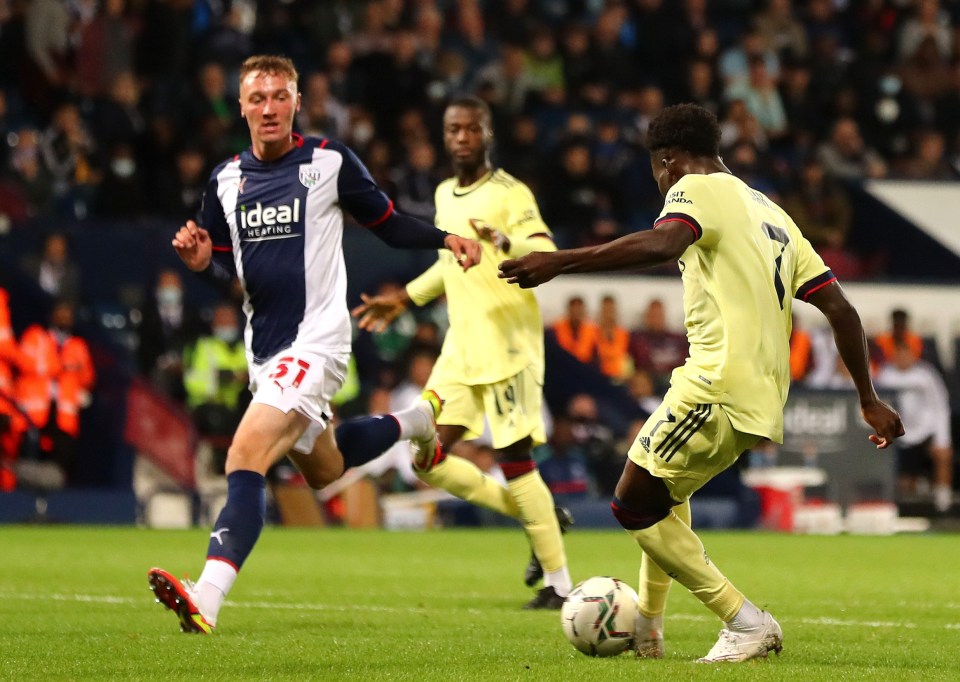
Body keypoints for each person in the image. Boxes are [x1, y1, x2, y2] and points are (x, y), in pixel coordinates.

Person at [499, 103, 903, 662]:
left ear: (667, 160)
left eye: (656, 170)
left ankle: (745, 621)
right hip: (760, 390)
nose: (659, 181)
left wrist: (559, 262)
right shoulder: (773, 213)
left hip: (716, 382)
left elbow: (664, 243)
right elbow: (840, 308)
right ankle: (648, 629)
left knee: (632, 504)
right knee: (665, 494)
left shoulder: (694, 188)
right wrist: (868, 397)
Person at [147, 55, 481, 635]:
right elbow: (225, 265)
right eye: (258, 98)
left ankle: (208, 594)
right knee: (325, 467)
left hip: (317, 341)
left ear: (297, 102)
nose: (270, 107)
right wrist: (202, 263)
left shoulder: (328, 161)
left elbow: (387, 221)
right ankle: (418, 420)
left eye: (280, 95)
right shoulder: (225, 180)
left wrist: (445, 237)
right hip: (265, 352)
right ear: (243, 106)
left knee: (243, 457)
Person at [352, 95, 573, 609]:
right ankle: (536, 518)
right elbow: (450, 267)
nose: (462, 138)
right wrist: (403, 298)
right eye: (454, 130)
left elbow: (545, 247)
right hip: (462, 347)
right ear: (444, 135)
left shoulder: (510, 192)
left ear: (487, 134)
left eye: (471, 130)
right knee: (426, 457)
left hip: (510, 343)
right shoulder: (443, 194)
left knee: (514, 458)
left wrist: (504, 240)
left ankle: (559, 585)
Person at [876, 343, 953, 512]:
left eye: (906, 355)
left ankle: (943, 501)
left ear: (913, 356)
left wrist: (942, 439)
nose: (902, 359)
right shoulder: (885, 376)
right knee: (905, 483)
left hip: (926, 431)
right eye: (899, 355)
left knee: (943, 454)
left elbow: (941, 406)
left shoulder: (926, 375)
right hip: (900, 435)